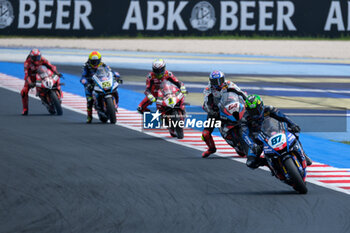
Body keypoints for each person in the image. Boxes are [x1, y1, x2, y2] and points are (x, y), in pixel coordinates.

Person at [242, 94, 312, 168]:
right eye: (252, 111)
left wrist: (293, 125)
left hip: (274, 131)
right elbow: (245, 134)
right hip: (257, 140)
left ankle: (303, 154)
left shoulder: (269, 109)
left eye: (256, 110)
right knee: (250, 163)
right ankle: (269, 164)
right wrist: (252, 145)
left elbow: (283, 117)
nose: (254, 113)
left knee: (294, 133)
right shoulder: (245, 118)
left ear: (261, 106)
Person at [201, 70, 248, 158]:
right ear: (211, 81)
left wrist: (246, 100)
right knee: (205, 134)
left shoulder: (229, 84)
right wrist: (211, 111)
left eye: (220, 80)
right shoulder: (208, 89)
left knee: (248, 114)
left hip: (230, 107)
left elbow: (240, 92)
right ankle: (211, 148)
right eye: (215, 81)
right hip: (216, 111)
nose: (218, 83)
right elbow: (207, 103)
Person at [80, 51, 122, 123]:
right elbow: (83, 78)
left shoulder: (103, 65)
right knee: (89, 100)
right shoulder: (86, 67)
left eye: (96, 61)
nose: (95, 63)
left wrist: (117, 76)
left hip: (102, 81)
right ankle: (89, 117)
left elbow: (111, 71)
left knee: (115, 89)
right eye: (93, 61)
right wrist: (86, 83)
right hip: (91, 84)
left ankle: (115, 104)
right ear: (90, 60)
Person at [21, 49, 61, 115]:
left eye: (38, 57)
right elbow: (26, 75)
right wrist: (30, 82)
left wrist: (57, 72)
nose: (37, 59)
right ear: (31, 57)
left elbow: (51, 66)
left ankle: (58, 91)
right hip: (32, 78)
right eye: (34, 58)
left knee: (56, 77)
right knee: (24, 91)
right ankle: (25, 109)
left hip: (43, 75)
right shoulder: (27, 63)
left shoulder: (42, 59)